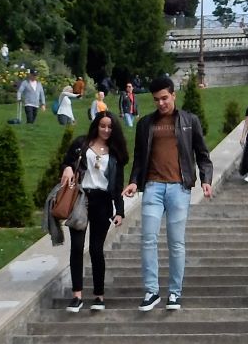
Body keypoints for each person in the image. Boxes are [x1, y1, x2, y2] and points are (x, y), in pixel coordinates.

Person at [123, 74, 214, 312]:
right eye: (156, 99)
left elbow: (202, 154)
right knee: (148, 239)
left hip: (179, 188)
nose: (161, 103)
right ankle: (151, 291)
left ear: (174, 95)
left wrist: (206, 180)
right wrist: (133, 182)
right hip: (152, 187)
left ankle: (174, 292)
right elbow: (139, 158)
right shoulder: (145, 124)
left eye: (164, 98)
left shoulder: (189, 121)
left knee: (176, 242)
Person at [59, 110, 127, 313]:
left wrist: (120, 211)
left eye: (109, 127)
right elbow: (67, 162)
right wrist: (67, 168)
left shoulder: (115, 153)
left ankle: (99, 295)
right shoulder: (82, 144)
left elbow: (117, 185)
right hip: (80, 198)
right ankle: (77, 296)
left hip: (102, 201)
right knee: (77, 247)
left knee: (96, 249)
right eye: (102, 125)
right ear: (96, 126)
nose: (105, 130)